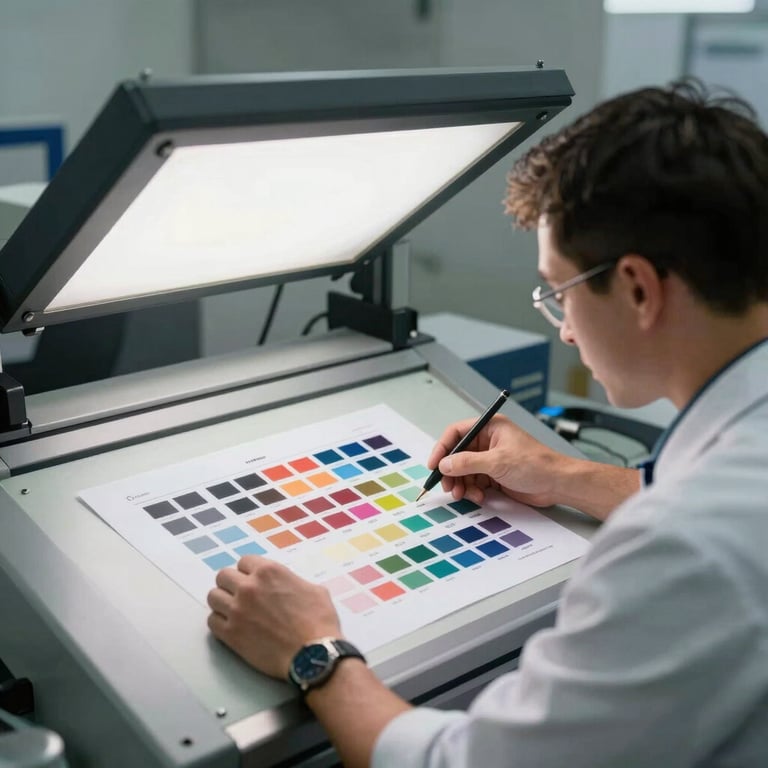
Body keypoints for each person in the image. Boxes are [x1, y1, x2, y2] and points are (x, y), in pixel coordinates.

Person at [206, 80, 768, 767]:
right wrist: (566, 476)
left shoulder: (680, 549)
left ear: (637, 289)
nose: (563, 331)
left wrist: (314, 652)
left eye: (556, 292)